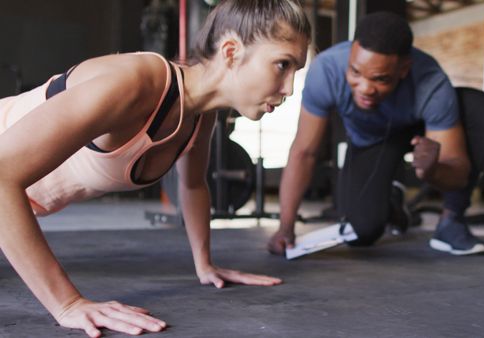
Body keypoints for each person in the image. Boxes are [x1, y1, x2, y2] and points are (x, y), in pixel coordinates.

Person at [0, 0, 310, 337]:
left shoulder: (201, 116)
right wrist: (68, 304)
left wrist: (204, 264)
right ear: (232, 52)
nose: (289, 89)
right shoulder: (134, 84)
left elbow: (193, 185)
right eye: (282, 64)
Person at [267, 11, 484, 257]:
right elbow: (304, 152)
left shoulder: (432, 82)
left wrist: (431, 170)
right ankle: (392, 202)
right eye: (355, 72)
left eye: (380, 79)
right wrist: (285, 228)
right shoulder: (327, 69)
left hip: (419, 132)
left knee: (475, 105)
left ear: (404, 69)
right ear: (351, 53)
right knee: (362, 232)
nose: (365, 88)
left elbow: (457, 172)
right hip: (371, 140)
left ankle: (451, 222)